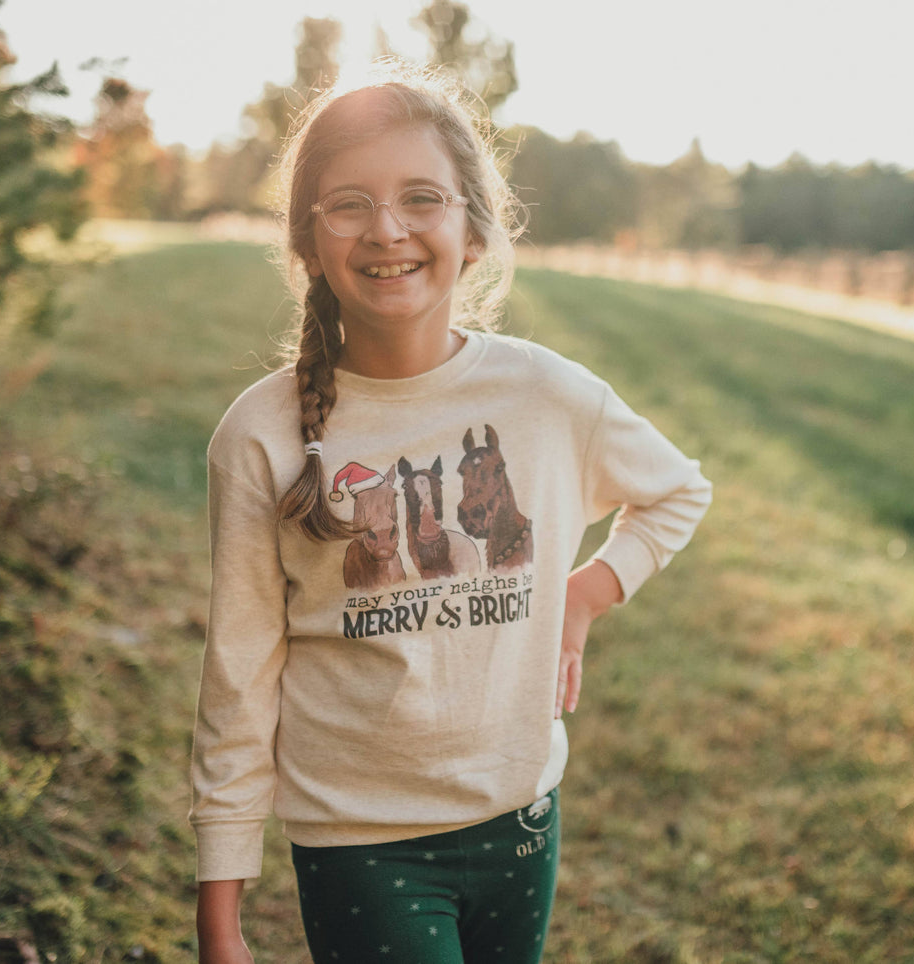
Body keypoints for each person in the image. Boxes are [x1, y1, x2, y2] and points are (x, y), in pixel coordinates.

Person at [190, 60, 711, 964]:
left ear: (473, 227)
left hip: (520, 821)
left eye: (420, 196)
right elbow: (238, 671)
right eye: (347, 202)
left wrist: (586, 593)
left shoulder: (548, 396)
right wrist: (220, 906)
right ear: (307, 240)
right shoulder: (261, 436)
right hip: (360, 842)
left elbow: (676, 491)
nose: (386, 229)